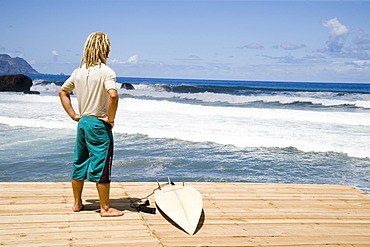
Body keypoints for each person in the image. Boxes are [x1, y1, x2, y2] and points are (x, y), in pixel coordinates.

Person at [58, 32, 123, 217]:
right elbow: (113, 95)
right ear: (106, 49)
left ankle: (77, 204)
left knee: (80, 162)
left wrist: (73, 115)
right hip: (98, 124)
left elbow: (62, 92)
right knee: (101, 165)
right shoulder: (106, 71)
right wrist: (110, 119)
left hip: (83, 122)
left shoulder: (79, 71)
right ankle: (105, 208)